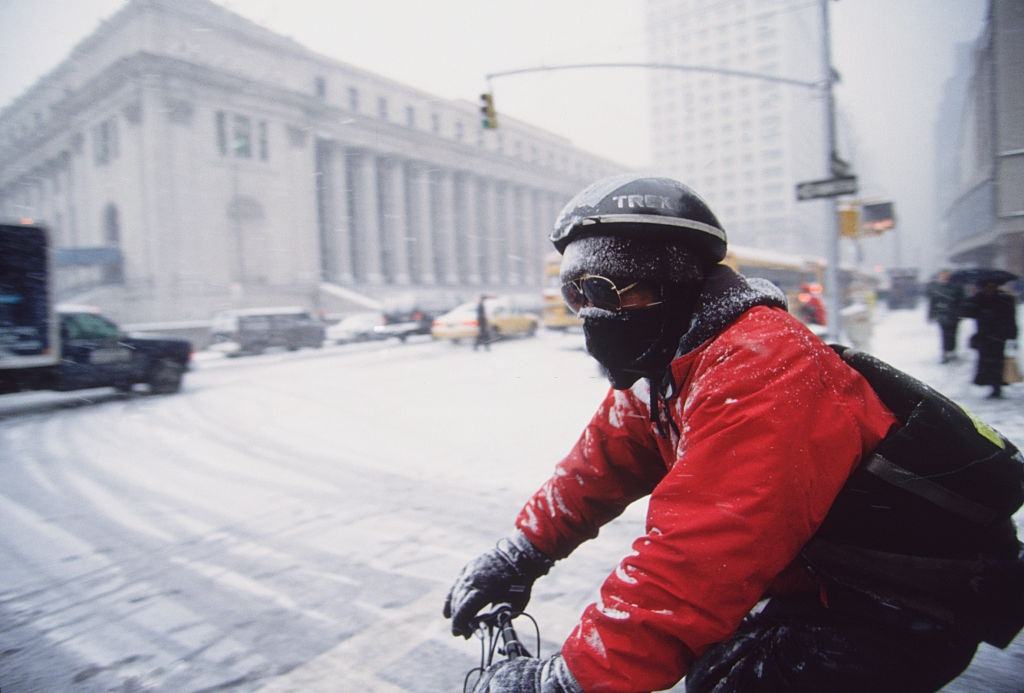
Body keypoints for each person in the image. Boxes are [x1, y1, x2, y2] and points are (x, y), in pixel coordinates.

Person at [444, 175, 1023, 692]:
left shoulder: (762, 364)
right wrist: (518, 554)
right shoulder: (669, 361)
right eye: (576, 297)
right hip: (818, 581)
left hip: (895, 603)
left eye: (603, 289)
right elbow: (596, 467)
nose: (589, 314)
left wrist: (567, 680)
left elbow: (696, 556)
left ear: (671, 280)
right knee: (716, 664)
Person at [963, 278, 1018, 398]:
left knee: (996, 362)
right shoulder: (979, 298)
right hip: (985, 336)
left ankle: (996, 387)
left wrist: (1013, 336)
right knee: (988, 362)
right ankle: (993, 385)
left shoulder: (1005, 298)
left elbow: (1011, 319)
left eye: (992, 285)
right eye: (987, 285)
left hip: (998, 336)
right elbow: (966, 312)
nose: (990, 288)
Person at [926, 269, 965, 363]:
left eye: (946, 275)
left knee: (953, 333)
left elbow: (961, 301)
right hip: (942, 315)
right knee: (944, 334)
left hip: (954, 315)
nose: (944, 277)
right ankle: (945, 353)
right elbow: (933, 302)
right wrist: (931, 315)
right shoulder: (937, 288)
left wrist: (961, 313)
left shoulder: (956, 287)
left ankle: (952, 351)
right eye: (942, 275)